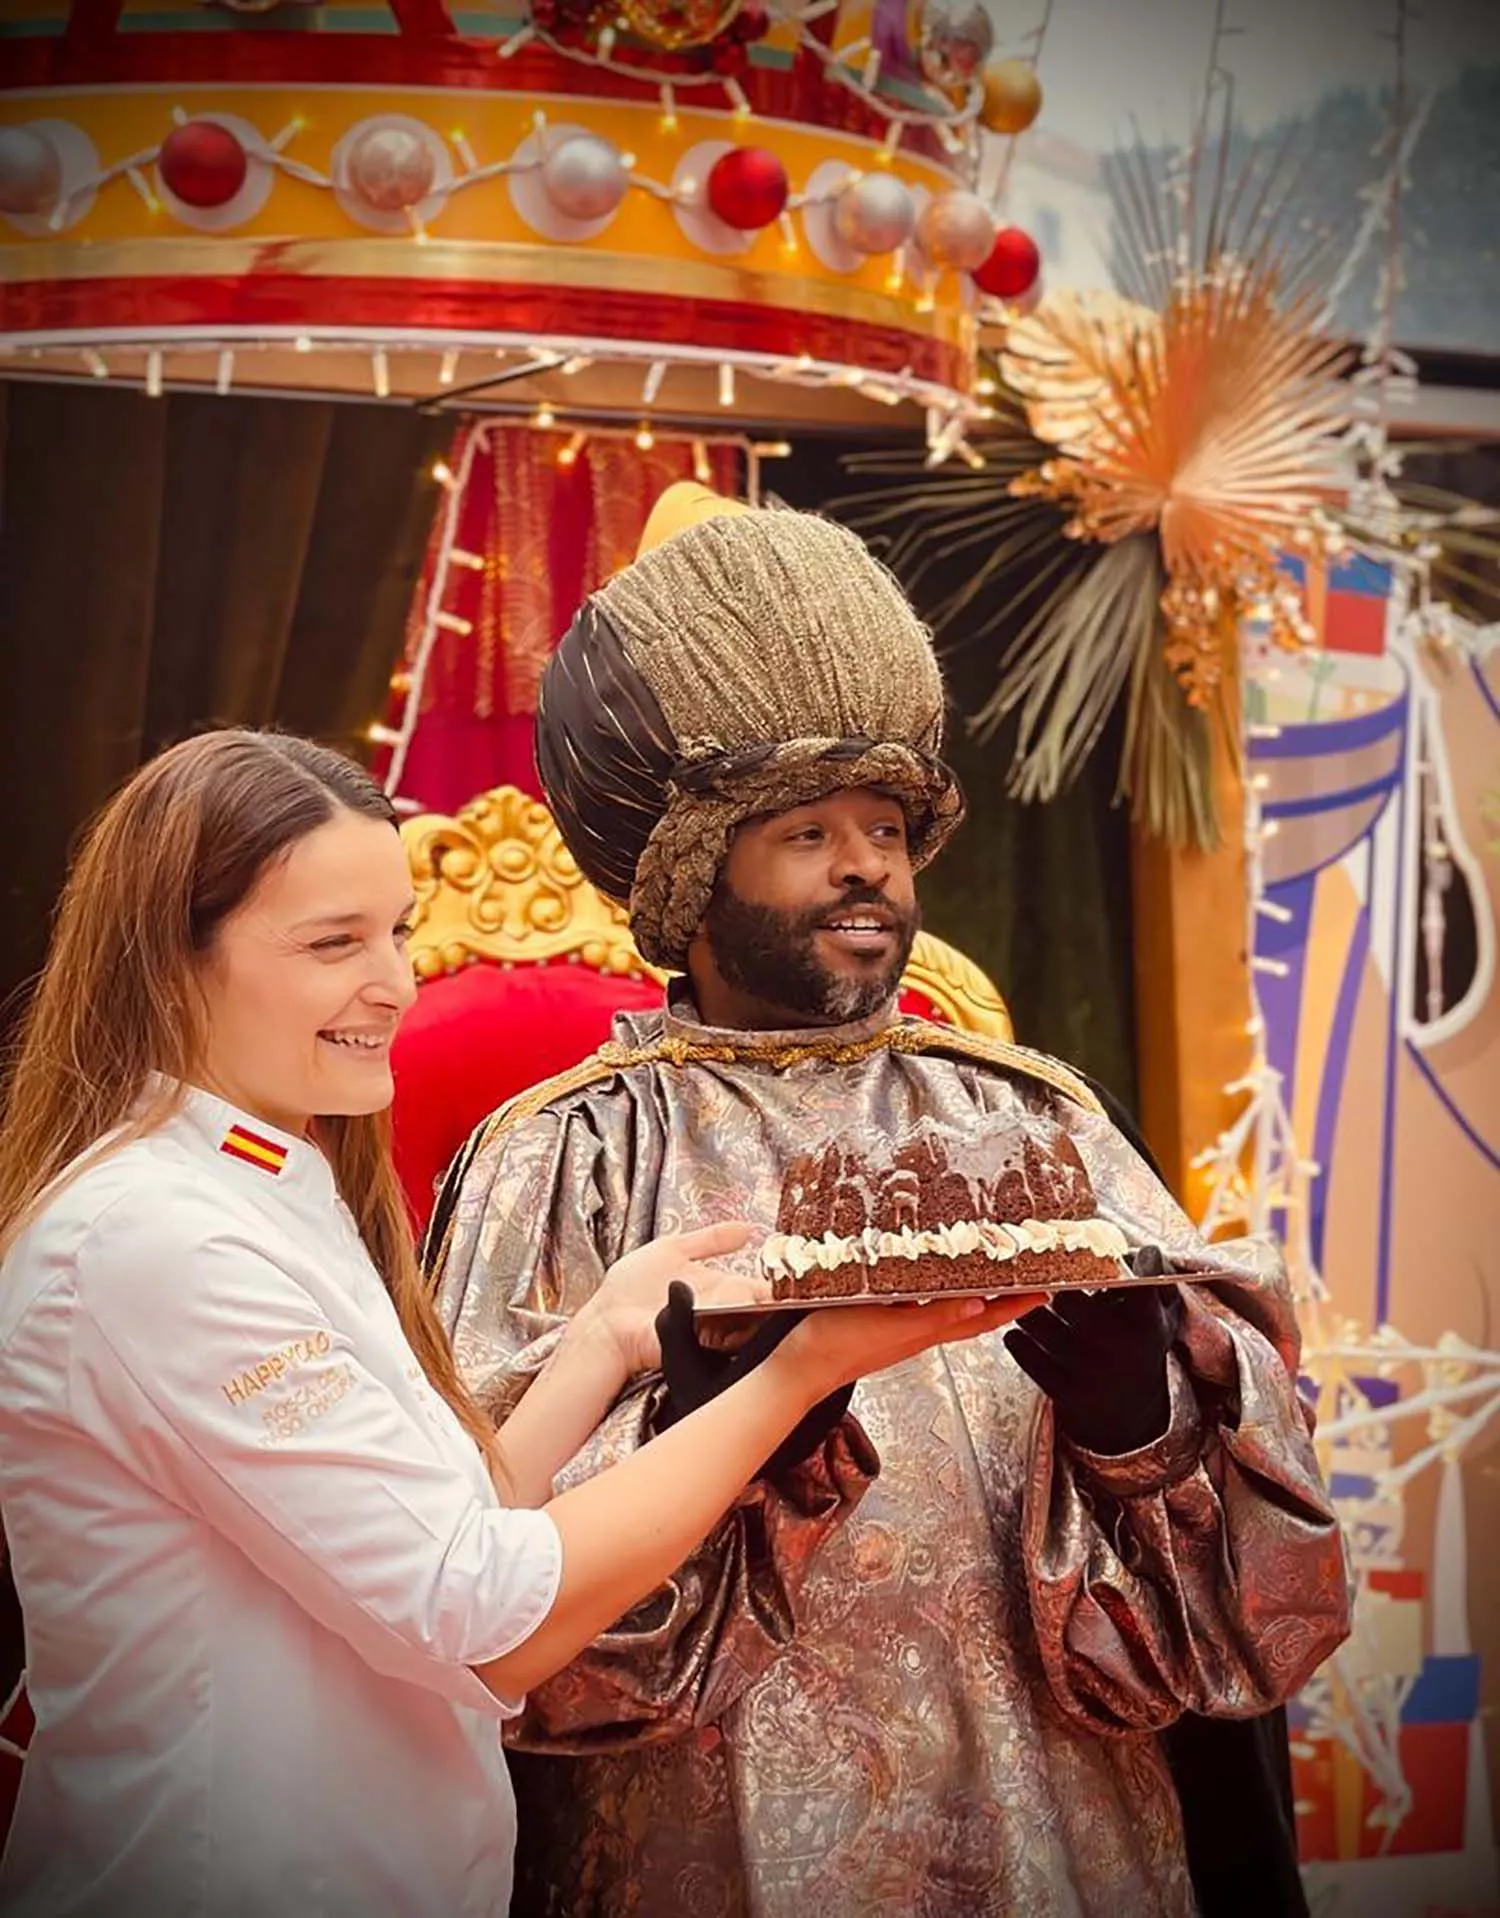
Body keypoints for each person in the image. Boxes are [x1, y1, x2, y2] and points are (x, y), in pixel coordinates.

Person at [426, 485, 1353, 1918]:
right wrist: (706, 1447)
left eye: (888, 825)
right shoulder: (562, 1155)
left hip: (1060, 1825)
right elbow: (467, 1585)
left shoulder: (1032, 1113)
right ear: (687, 880)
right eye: (808, 829)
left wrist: (1142, 1425)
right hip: (712, 1842)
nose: (868, 863)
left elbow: (1248, 1579)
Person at [0, 728, 1033, 1918]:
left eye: (394, 929)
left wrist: (601, 1340)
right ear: (169, 965)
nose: (395, 979)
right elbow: (481, 1620)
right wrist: (804, 1371)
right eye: (335, 943)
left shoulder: (261, 1179)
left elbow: (444, 1519)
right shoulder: (158, 1238)